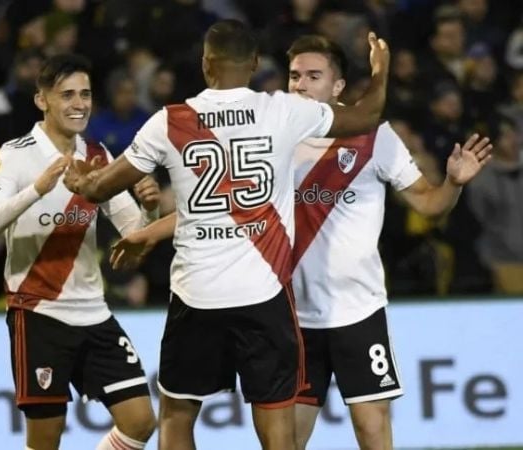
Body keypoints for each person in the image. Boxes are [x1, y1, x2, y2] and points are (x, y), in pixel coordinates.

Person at [63, 19, 391, 450]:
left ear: (205, 64)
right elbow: (367, 115)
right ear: (254, 64)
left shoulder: (170, 121)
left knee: (178, 416)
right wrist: (380, 70)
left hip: (196, 294)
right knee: (277, 425)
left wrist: (81, 181)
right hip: (264, 295)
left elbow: (100, 188)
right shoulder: (283, 109)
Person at [286, 35, 490, 450]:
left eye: (312, 76)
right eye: (294, 77)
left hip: (358, 311)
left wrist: (452, 182)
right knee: (287, 438)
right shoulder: (274, 139)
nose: (300, 86)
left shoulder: (375, 138)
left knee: (373, 431)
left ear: (338, 87)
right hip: (294, 315)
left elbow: (430, 204)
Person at [0, 54, 159, 450]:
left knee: (140, 421)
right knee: (45, 440)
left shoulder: (97, 156)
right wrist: (37, 188)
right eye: (67, 94)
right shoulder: (16, 154)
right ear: (42, 100)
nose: (79, 103)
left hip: (94, 312)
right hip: (39, 314)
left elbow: (134, 235)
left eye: (85, 94)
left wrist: (151, 207)